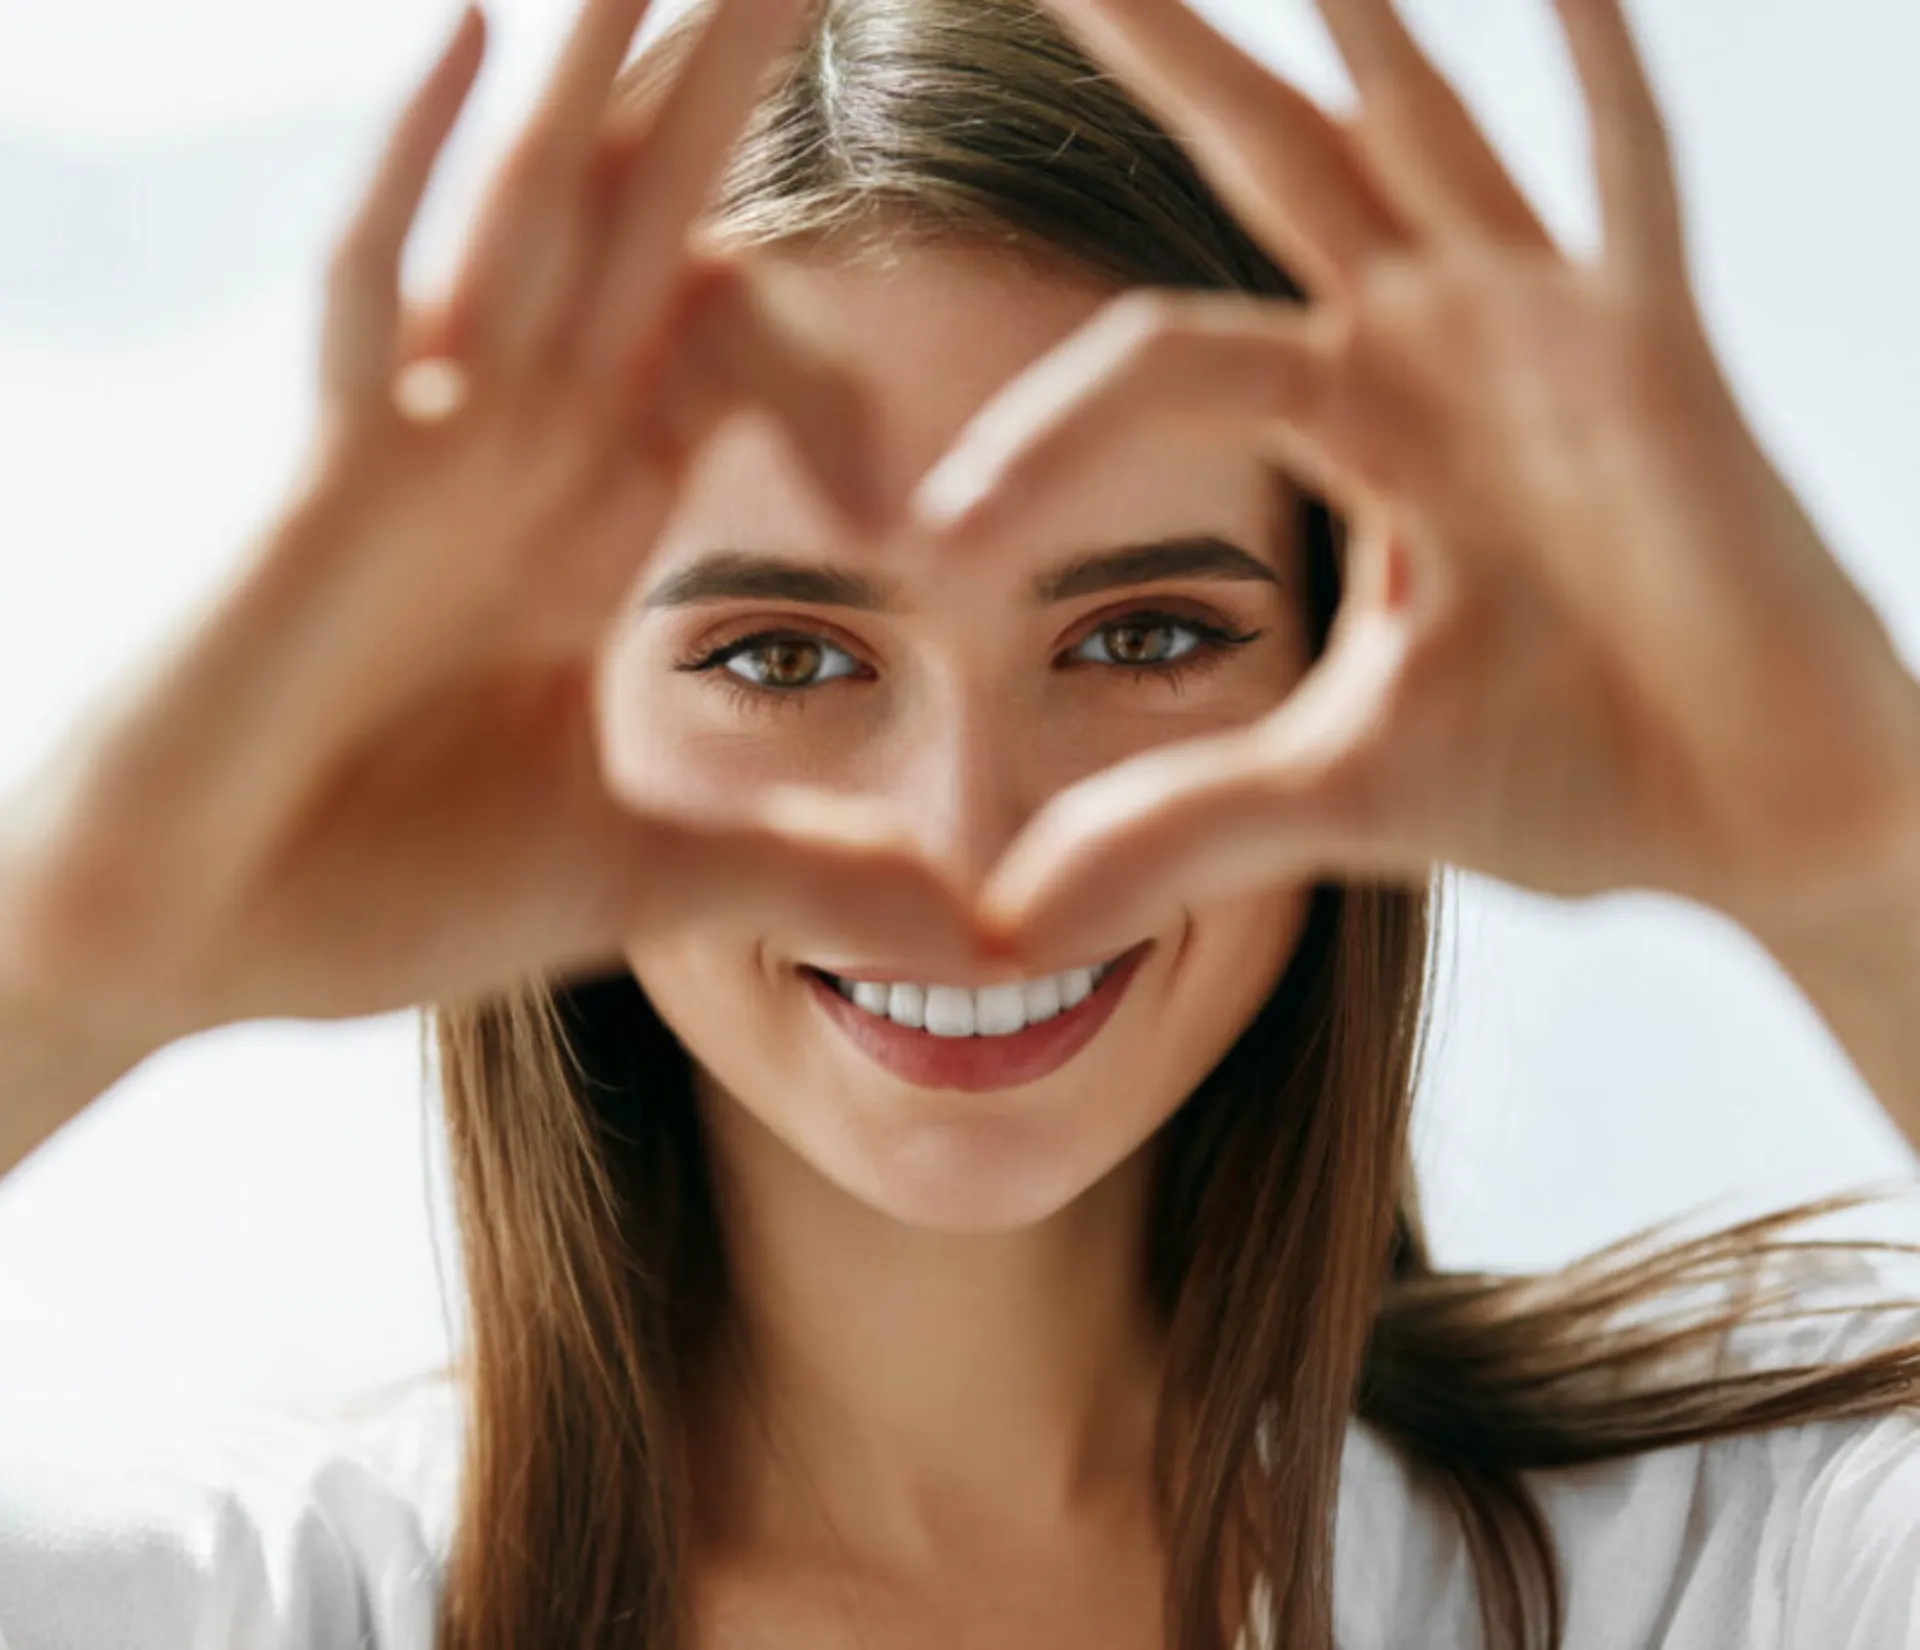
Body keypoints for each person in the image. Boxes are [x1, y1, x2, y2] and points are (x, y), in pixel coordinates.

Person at [0, 0, 1917, 1644]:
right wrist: (63, 961)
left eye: (1146, 632)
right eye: (782, 654)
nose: (969, 831)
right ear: (558, 699)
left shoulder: (1734, 1570)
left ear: (1345, 654)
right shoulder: (228, 1602)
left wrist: (1870, 861)